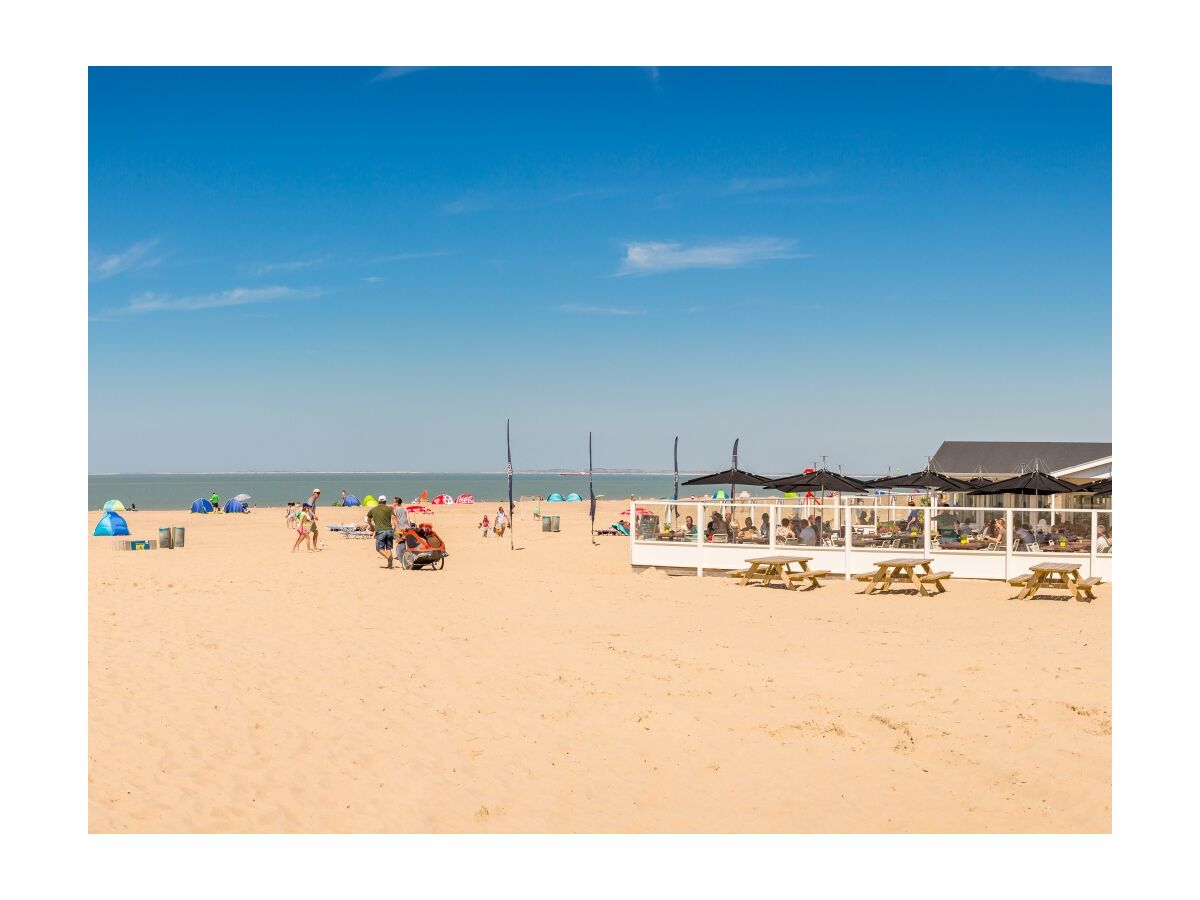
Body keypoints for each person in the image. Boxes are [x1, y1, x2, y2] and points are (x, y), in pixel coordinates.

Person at [367, 494, 398, 568]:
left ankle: (389, 558)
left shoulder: (373, 509)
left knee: (379, 548)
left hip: (380, 531)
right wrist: (397, 527)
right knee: (388, 548)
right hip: (390, 531)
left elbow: (368, 519)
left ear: (378, 501)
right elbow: (393, 519)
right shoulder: (390, 509)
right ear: (385, 501)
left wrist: (371, 526)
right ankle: (390, 565)